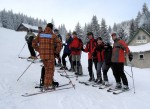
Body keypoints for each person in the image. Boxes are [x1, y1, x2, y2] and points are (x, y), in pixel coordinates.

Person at [32, 23, 62, 91]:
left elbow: (33, 43)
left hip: (43, 56)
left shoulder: (40, 34)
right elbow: (60, 44)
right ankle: (47, 85)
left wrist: (39, 50)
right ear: (51, 28)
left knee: (46, 69)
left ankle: (47, 82)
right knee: (50, 70)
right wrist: (56, 52)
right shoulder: (53, 35)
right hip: (50, 56)